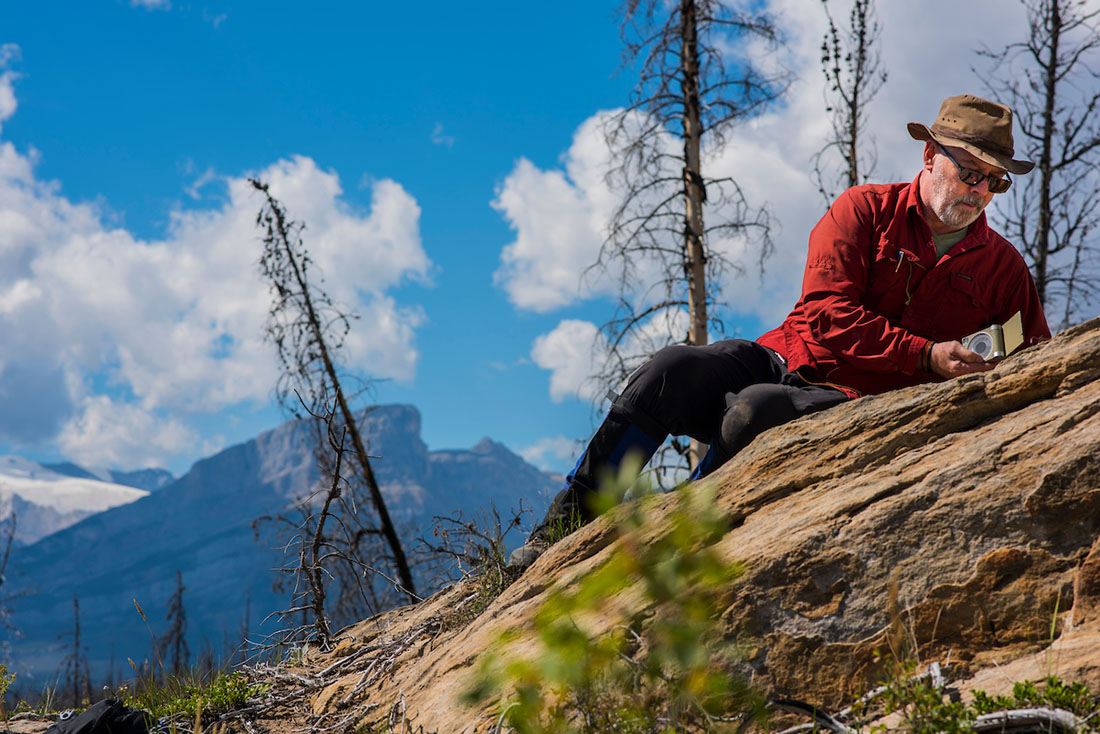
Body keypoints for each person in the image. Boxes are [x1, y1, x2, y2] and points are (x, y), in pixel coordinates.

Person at [509, 94, 1051, 569]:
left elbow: (1036, 359)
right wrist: (926, 355)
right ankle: (559, 533)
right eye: (971, 173)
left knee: (755, 412)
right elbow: (827, 312)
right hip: (787, 356)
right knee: (671, 370)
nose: (981, 191)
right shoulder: (864, 209)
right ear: (930, 155)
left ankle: (669, 547)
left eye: (996, 181)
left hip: (858, 401)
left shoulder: (1004, 269)